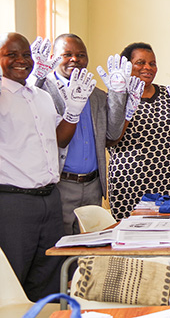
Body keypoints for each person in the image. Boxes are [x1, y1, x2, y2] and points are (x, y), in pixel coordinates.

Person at [0, 32, 95, 300]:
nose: (21, 60)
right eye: (12, 55)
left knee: (49, 274)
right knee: (12, 277)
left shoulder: (40, 96)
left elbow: (60, 139)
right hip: (13, 201)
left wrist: (73, 110)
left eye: (26, 55)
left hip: (50, 198)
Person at [34, 34, 133, 231]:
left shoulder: (95, 95)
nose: (75, 59)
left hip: (92, 184)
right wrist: (37, 78)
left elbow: (113, 134)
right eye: (67, 54)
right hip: (61, 184)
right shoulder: (43, 90)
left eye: (81, 55)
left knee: (91, 245)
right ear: (54, 57)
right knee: (61, 245)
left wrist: (117, 94)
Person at [106, 42, 170, 219]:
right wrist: (128, 110)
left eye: (152, 63)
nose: (147, 68)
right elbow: (111, 139)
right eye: (140, 62)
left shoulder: (167, 93)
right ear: (127, 65)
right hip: (132, 182)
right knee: (134, 238)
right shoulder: (117, 96)